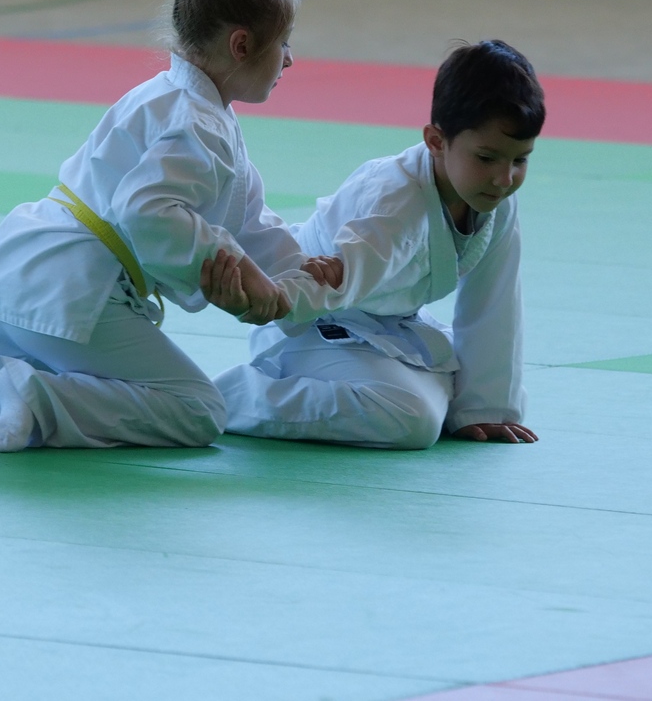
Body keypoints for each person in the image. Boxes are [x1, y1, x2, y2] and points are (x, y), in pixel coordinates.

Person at [0, 0, 341, 452]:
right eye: (283, 42)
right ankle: (38, 398)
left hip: (18, 265)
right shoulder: (200, 123)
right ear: (241, 46)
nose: (290, 59)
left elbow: (247, 218)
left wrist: (294, 275)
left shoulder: (170, 99)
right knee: (197, 410)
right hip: (76, 288)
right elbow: (149, 213)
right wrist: (236, 272)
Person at [210, 40, 543, 450]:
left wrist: (487, 408)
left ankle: (432, 394)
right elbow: (343, 273)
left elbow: (495, 304)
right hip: (310, 319)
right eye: (487, 158)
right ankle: (227, 397)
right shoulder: (395, 200)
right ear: (436, 140)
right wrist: (269, 298)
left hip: (382, 327)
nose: (504, 178)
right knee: (414, 420)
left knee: (456, 393)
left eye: (520, 160)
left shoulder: (493, 201)